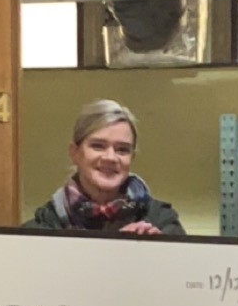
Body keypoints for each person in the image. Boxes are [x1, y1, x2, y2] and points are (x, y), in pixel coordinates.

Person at [22, 99, 184, 235]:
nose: (110, 158)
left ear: (132, 158)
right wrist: (114, 249)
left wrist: (161, 253)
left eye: (122, 149)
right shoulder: (42, 229)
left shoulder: (163, 221)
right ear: (75, 153)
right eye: (98, 146)